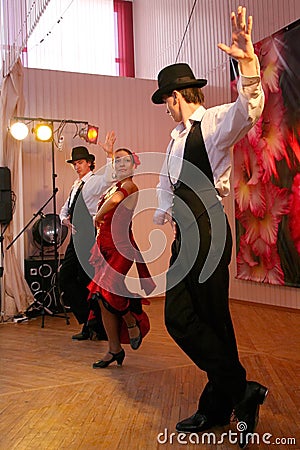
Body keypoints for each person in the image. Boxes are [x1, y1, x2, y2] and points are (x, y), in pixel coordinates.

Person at [151, 6, 267, 449]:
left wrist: (249, 63)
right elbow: (167, 184)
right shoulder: (177, 139)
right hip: (188, 232)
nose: (165, 108)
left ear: (175, 97)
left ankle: (221, 402)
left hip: (210, 227)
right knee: (180, 317)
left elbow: (249, 110)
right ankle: (240, 391)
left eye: (165, 100)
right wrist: (164, 223)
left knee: (210, 319)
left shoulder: (215, 123)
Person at [87, 148, 155, 368]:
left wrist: (97, 215)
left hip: (121, 248)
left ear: (134, 165)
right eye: (117, 162)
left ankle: (131, 321)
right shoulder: (114, 186)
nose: (120, 165)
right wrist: (108, 153)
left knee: (106, 291)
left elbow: (116, 201)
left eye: (125, 161)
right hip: (105, 248)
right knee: (102, 299)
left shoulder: (129, 187)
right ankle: (114, 350)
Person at [59, 131, 116, 340]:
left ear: (90, 163)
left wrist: (109, 154)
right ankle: (87, 320)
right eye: (75, 163)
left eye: (81, 162)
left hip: (90, 235)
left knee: (88, 280)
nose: (77, 166)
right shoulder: (75, 185)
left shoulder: (95, 181)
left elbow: (111, 178)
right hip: (77, 235)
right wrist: (65, 220)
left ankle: (97, 327)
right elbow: (64, 210)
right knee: (65, 277)